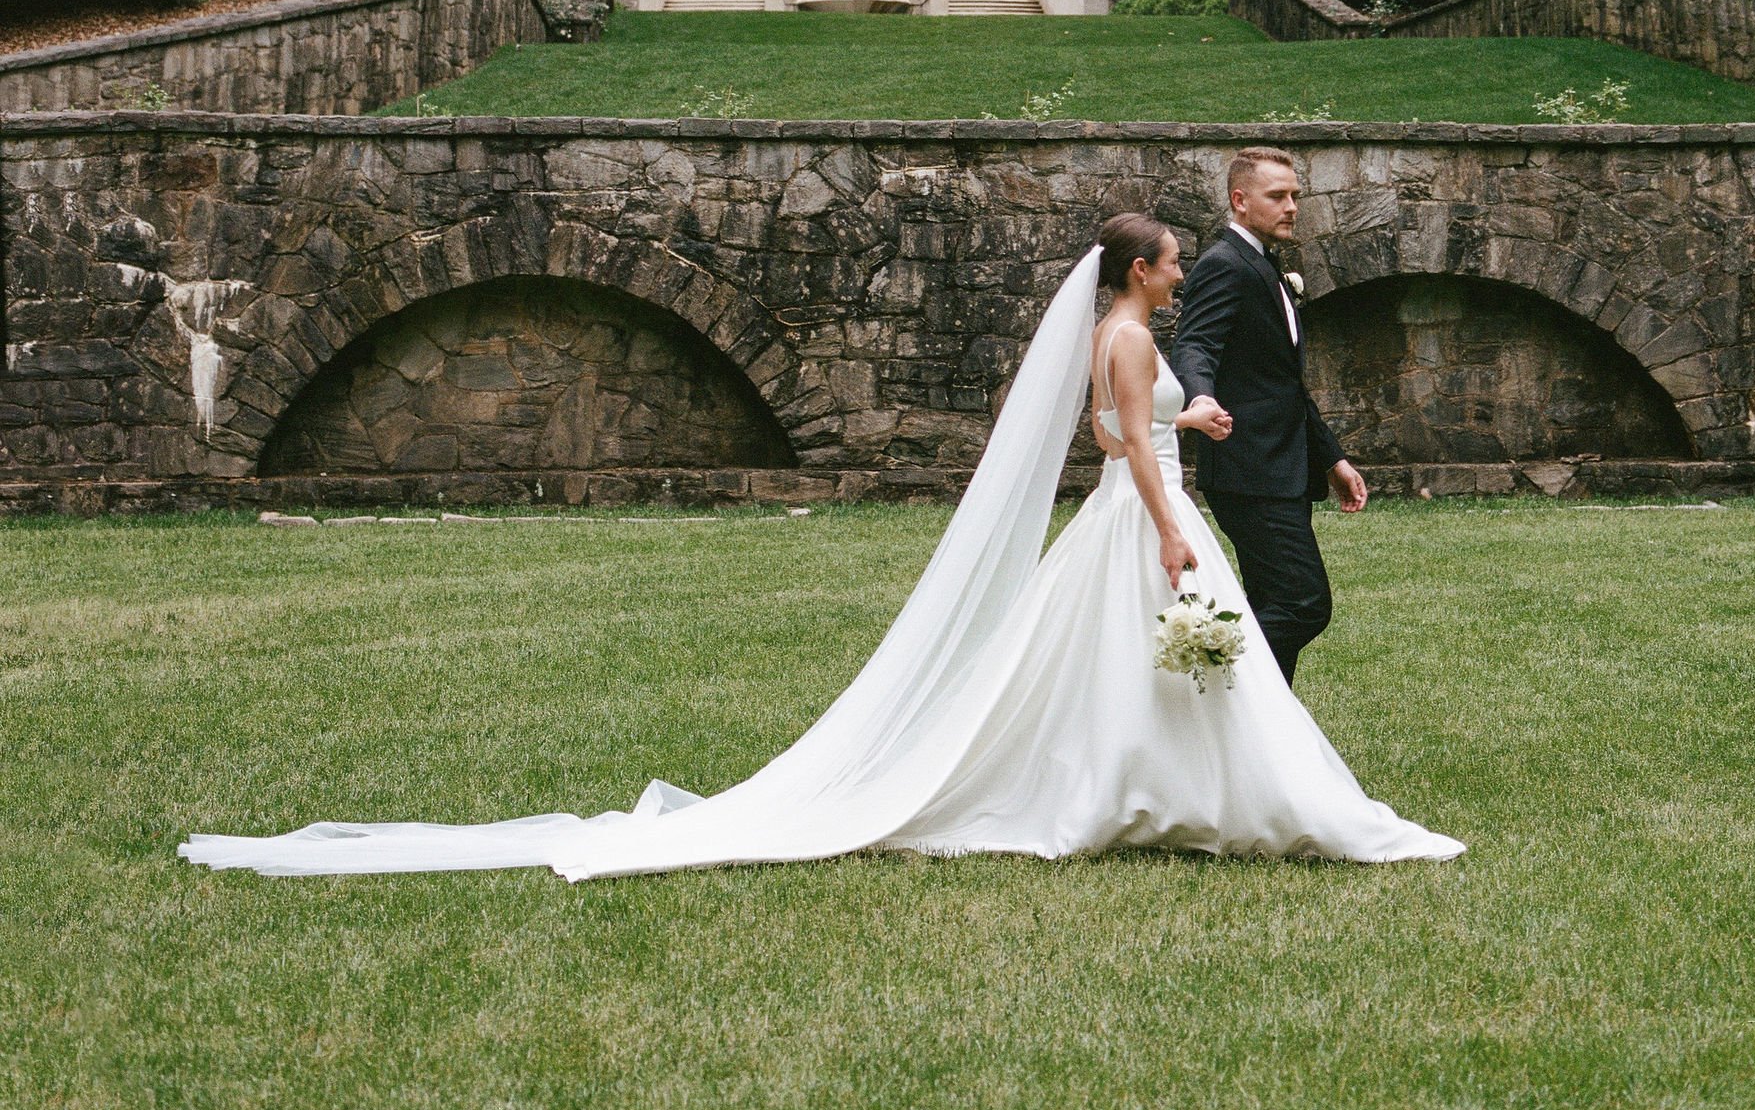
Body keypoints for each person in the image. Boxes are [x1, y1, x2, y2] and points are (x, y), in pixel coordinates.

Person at [180, 213, 1461, 879]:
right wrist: (1176, 522)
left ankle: (1169, 787)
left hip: (1137, 499)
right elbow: (1123, 444)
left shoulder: (1108, 338)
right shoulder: (1131, 334)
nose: (1180, 276)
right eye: (1170, 264)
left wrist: (1185, 418)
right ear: (1139, 272)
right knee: (1168, 654)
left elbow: (1109, 423)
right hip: (1146, 515)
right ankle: (1213, 797)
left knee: (1097, 667)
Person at [1170, 148, 1363, 686]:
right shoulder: (1224, 264)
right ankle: (1216, 688)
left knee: (1275, 600)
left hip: (1282, 469)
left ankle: (1263, 729)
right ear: (1240, 200)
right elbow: (1194, 345)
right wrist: (1201, 399)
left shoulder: (1263, 263)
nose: (1292, 206)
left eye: (1295, 195)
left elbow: (1282, 384)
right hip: (1249, 468)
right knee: (1303, 603)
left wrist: (1332, 458)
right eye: (1277, 196)